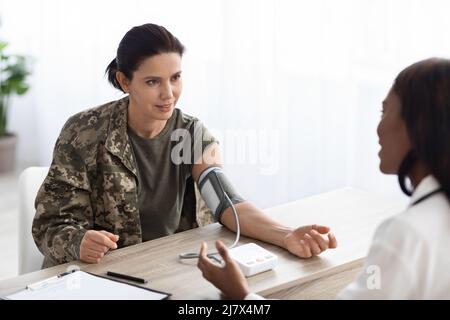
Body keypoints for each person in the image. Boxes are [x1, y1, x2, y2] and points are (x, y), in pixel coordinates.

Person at [32, 23, 337, 268]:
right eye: (153, 82)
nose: (169, 93)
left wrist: (287, 235)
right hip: (98, 276)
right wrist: (79, 241)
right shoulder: (82, 132)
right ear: (125, 81)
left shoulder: (191, 133)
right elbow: (50, 224)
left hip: (166, 271)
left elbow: (228, 203)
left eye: (175, 78)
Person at [198, 58, 450, 299]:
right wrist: (287, 235)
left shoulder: (406, 234)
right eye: (155, 81)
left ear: (418, 126)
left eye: (384, 112)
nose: (378, 128)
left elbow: (226, 201)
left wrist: (242, 295)